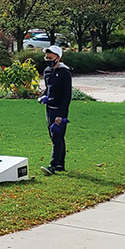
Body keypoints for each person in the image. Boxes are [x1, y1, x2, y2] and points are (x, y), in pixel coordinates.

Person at [37, 45, 72, 175]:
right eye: (46, 57)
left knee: (57, 136)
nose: (48, 60)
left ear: (58, 58)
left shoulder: (65, 73)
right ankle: (60, 164)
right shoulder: (47, 71)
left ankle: (52, 165)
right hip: (49, 109)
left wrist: (61, 115)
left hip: (59, 110)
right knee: (55, 136)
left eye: (50, 58)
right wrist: (43, 96)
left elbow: (67, 96)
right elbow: (48, 88)